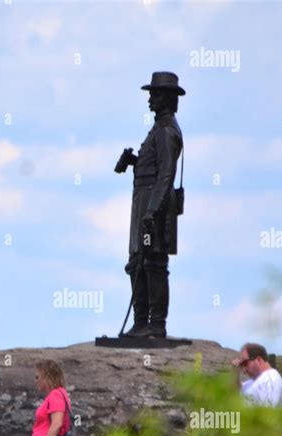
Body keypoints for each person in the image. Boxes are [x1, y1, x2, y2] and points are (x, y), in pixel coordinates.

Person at [116, 71, 185, 338]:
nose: (149, 100)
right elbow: (156, 168)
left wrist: (152, 210)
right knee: (137, 261)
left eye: (154, 95)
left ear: (167, 98)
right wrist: (135, 162)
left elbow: (166, 174)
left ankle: (156, 324)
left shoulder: (167, 132)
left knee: (153, 262)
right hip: (143, 202)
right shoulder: (158, 129)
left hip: (153, 205)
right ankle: (141, 322)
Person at [232, 343, 282, 407]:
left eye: (245, 363)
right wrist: (235, 372)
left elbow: (268, 413)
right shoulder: (254, 381)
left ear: (258, 360)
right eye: (242, 364)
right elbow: (236, 391)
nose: (244, 370)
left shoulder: (270, 380)